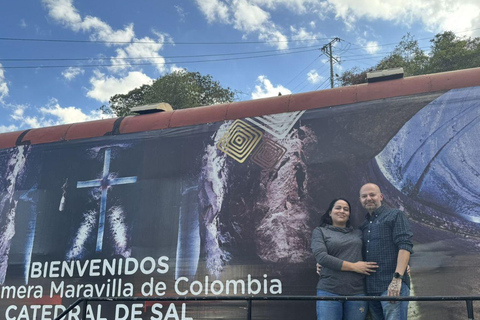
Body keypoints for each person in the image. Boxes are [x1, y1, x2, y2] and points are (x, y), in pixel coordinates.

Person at [311, 197, 379, 320]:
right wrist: (354, 267)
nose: (342, 211)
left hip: (357, 293)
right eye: (338, 208)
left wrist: (403, 264)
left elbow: (376, 250)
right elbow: (321, 257)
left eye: (346, 209)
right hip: (329, 290)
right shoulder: (320, 231)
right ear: (330, 213)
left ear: (349, 215)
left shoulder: (358, 233)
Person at [359, 183, 413, 320]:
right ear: (360, 200)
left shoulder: (395, 215)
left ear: (381, 197)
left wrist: (397, 279)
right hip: (371, 290)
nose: (368, 198)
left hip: (392, 287)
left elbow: (405, 246)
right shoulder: (364, 226)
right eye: (364, 196)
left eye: (372, 194)